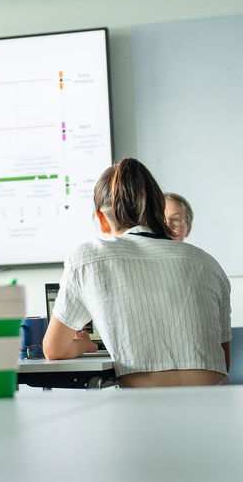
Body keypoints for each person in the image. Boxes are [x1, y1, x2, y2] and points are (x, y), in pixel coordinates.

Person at [42, 159, 230, 387]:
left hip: (144, 408)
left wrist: (85, 345)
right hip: (216, 404)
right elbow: (223, 359)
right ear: (159, 211)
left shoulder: (87, 259)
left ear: (101, 220)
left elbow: (53, 350)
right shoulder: (207, 262)